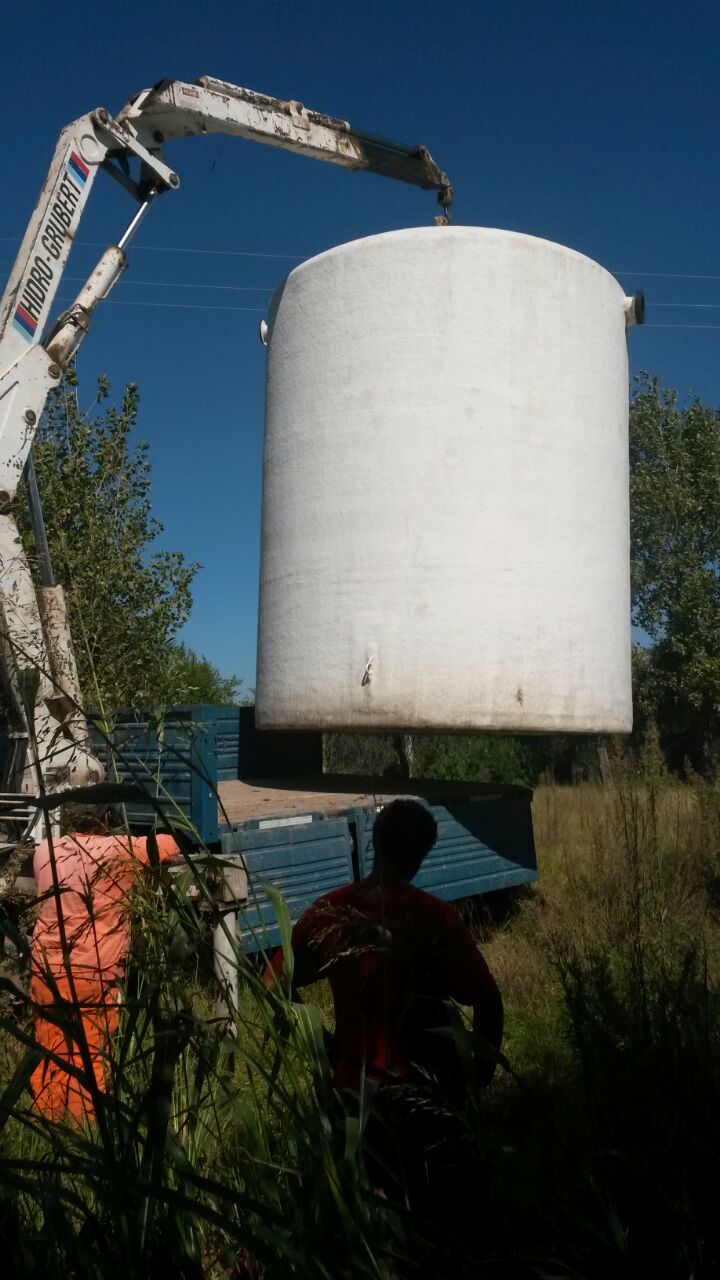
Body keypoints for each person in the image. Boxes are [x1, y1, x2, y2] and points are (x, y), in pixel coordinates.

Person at [266, 798, 503, 1222]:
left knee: (365, 1220)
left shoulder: (329, 913)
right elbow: (488, 1000)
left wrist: (324, 1045)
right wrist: (476, 1077)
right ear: (421, 853)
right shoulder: (435, 918)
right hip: (426, 1100)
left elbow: (271, 985)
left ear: (374, 841)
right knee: (436, 1219)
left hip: (354, 1099)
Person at [30, 806, 180, 1124]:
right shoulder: (118, 850)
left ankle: (46, 1124)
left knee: (49, 1053)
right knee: (90, 1058)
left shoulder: (45, 851)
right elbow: (169, 845)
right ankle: (83, 1127)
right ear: (107, 819)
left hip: (46, 972)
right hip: (93, 974)